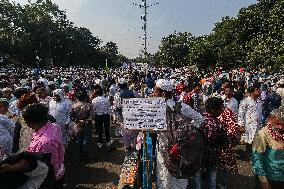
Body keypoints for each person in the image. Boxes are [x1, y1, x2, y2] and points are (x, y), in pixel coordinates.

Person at [154, 79, 204, 189]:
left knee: (165, 178)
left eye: (156, 91)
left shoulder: (156, 109)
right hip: (181, 150)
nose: (153, 93)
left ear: (162, 93)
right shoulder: (182, 107)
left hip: (163, 150)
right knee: (179, 176)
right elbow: (200, 119)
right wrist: (186, 137)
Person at [23, 103, 65, 188]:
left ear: (29, 122)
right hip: (59, 170)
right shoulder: (54, 126)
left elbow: (45, 168)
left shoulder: (43, 143)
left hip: (48, 179)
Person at [252, 106, 284, 189]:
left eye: (283, 124)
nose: (280, 127)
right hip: (270, 179)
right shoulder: (262, 134)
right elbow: (256, 159)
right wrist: (264, 181)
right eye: (277, 123)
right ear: (270, 120)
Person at [198, 97, 226, 189]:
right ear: (214, 110)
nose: (222, 110)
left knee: (197, 176)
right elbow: (223, 142)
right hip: (212, 155)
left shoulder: (198, 118)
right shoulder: (218, 124)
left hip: (198, 154)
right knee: (212, 176)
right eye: (221, 108)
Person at [238, 82, 262, 158]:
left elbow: (259, 113)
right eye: (257, 90)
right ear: (252, 92)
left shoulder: (259, 101)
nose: (259, 91)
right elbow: (241, 114)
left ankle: (252, 155)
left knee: (255, 140)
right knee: (248, 141)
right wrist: (241, 125)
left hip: (257, 124)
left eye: (259, 90)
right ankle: (247, 155)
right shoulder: (245, 101)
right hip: (248, 125)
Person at [71, 90, 94, 158]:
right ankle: (85, 154)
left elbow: (71, 116)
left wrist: (77, 121)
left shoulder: (74, 106)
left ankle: (80, 153)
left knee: (79, 138)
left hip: (77, 124)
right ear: (85, 97)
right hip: (87, 124)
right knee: (86, 139)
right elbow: (92, 116)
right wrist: (84, 121)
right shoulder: (89, 105)